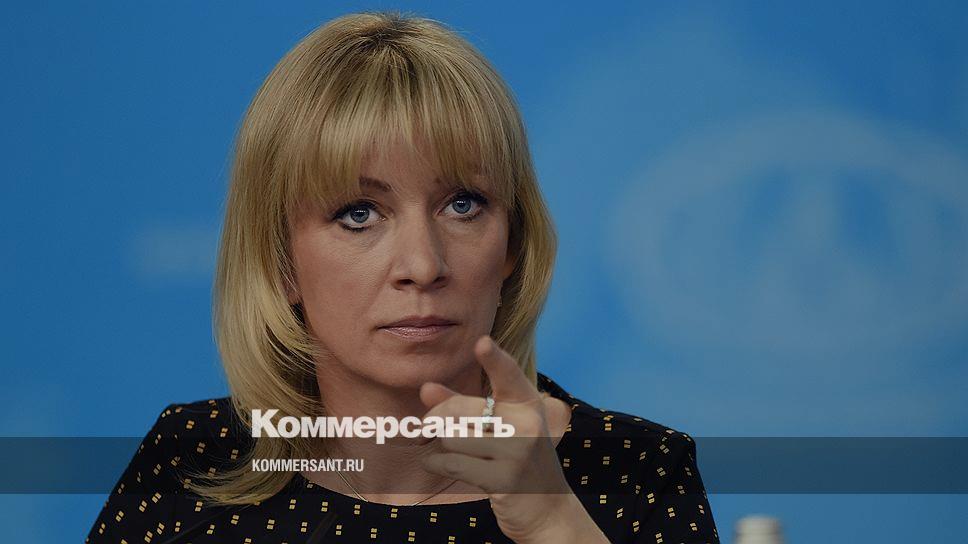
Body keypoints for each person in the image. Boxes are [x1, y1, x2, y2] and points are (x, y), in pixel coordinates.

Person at [86, 11, 720, 544]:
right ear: (280, 262)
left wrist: (558, 527)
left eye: (463, 205)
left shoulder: (637, 471)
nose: (422, 266)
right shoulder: (193, 460)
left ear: (512, 246)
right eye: (358, 214)